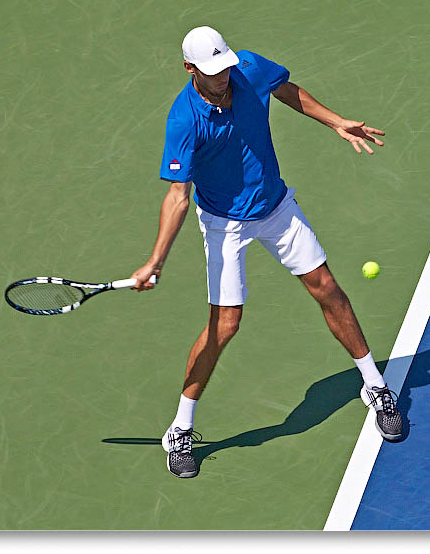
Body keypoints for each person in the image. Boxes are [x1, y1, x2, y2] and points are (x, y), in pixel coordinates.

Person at [130, 26, 402, 479]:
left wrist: (335, 121)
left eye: (226, 67)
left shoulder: (249, 68)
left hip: (277, 209)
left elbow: (286, 90)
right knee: (225, 325)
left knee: (328, 290)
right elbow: (179, 195)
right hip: (224, 225)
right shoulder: (184, 121)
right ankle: (180, 428)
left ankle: (375, 386)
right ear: (190, 70)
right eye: (212, 72)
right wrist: (156, 259)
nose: (224, 77)